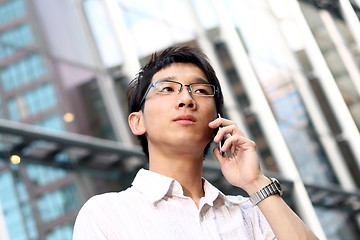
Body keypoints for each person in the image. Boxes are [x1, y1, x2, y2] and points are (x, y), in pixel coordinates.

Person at [73, 46, 318, 239]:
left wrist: (255, 182)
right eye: (167, 89)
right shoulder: (107, 214)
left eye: (200, 91)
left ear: (217, 123)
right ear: (138, 122)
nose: (186, 99)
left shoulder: (251, 212)